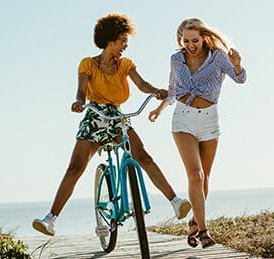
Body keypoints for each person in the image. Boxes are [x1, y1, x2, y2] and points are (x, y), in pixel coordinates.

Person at [32, 13, 191, 236]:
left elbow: (142, 84)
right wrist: (79, 102)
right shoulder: (88, 64)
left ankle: (175, 202)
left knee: (143, 157)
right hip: (94, 116)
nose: (125, 45)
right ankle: (50, 219)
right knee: (75, 168)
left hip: (116, 118)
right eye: (122, 40)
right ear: (109, 40)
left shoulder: (126, 65)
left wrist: (155, 91)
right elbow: (81, 91)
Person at [148, 17, 247, 249]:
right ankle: (204, 231)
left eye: (195, 40)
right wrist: (159, 109)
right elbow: (173, 89)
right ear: (180, 40)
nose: (190, 45)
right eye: (186, 41)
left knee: (205, 178)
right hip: (183, 119)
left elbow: (240, 79)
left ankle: (194, 221)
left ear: (203, 37)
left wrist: (237, 64)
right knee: (196, 175)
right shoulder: (176, 59)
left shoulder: (219, 57)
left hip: (210, 120)